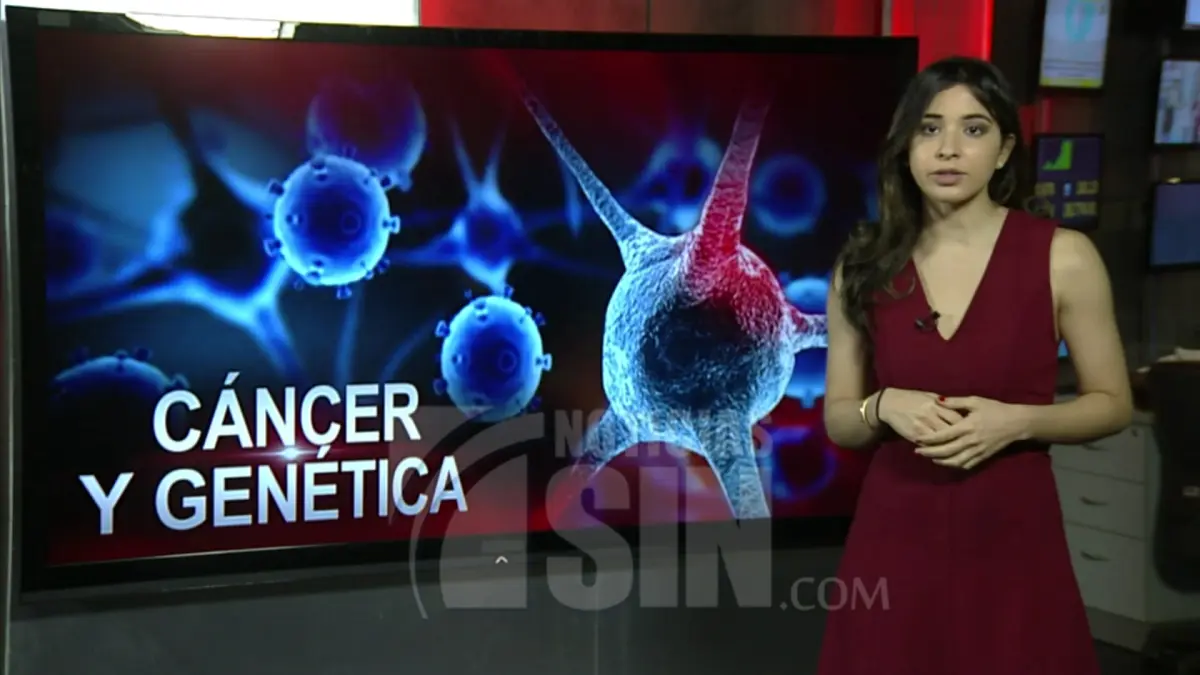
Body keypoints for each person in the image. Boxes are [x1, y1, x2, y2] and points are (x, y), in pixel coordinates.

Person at [817, 56, 1133, 675]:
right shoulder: (863, 266)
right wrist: (883, 406)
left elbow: (1113, 403)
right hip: (895, 535)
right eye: (930, 128)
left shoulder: (1063, 257)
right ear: (905, 147)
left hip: (1013, 534)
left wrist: (1017, 422)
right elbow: (840, 420)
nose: (949, 149)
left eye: (974, 129)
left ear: (1004, 149)